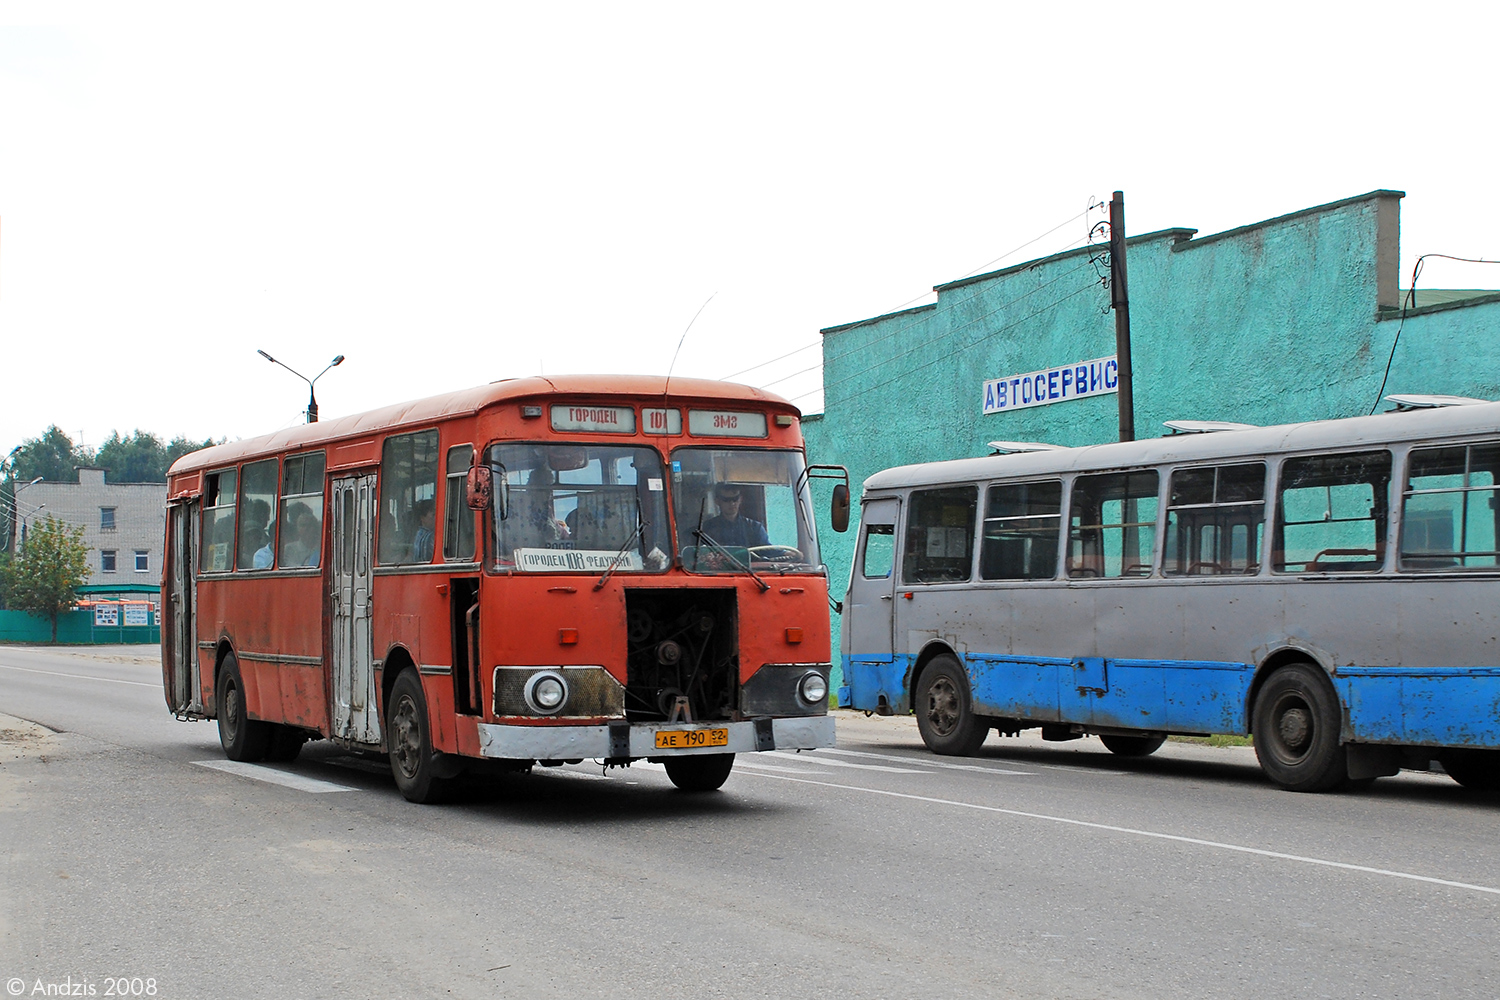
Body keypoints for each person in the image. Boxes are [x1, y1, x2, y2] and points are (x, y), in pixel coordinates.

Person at [700, 484, 770, 549]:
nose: (732, 503)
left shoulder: (755, 528)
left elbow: (770, 553)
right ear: (717, 501)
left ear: (740, 499)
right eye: (726, 500)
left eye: (735, 499)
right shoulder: (706, 530)